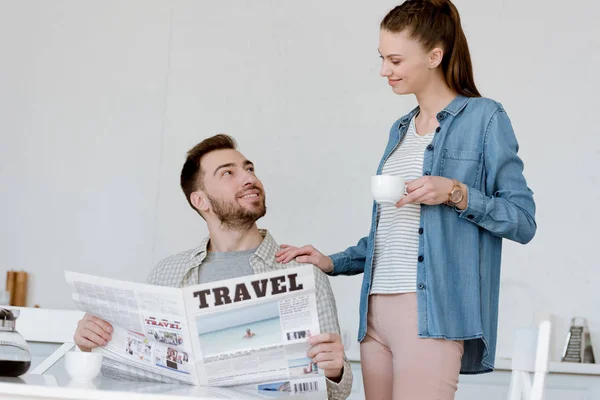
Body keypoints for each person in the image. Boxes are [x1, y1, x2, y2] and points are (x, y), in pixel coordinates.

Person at [276, 1, 536, 399]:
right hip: (375, 314)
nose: (384, 70)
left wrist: (455, 192)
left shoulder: (485, 118)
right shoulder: (399, 130)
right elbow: (394, 233)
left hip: (430, 313)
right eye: (382, 58)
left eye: (395, 59)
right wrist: (332, 261)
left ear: (435, 56)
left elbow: (522, 220)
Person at [73, 134, 352, 399]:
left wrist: (335, 370)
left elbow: (337, 391)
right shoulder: (167, 272)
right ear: (200, 200)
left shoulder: (303, 271)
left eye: (250, 169)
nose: (250, 179)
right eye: (228, 173)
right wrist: (91, 346)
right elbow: (135, 371)